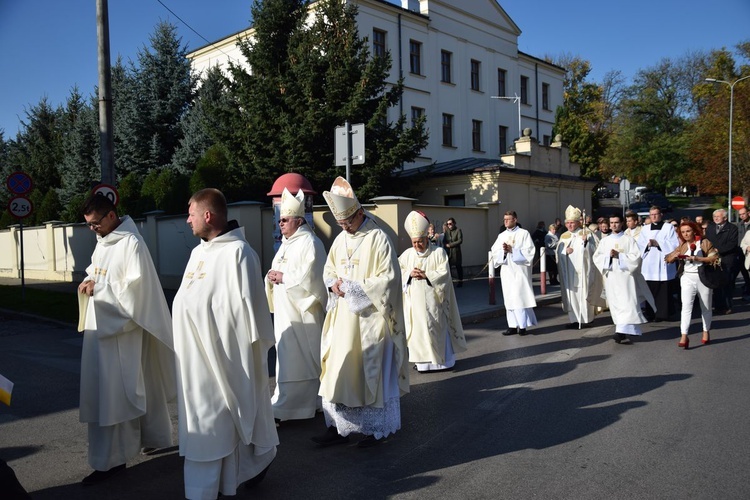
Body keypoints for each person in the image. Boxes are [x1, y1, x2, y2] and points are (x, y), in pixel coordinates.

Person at [172, 189, 278, 499]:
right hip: (193, 360)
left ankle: (208, 490)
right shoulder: (198, 253)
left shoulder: (239, 254)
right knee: (205, 424)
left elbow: (247, 315)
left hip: (223, 358)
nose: (187, 219)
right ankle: (220, 485)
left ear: (208, 215)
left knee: (216, 426)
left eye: (191, 213)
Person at [77, 194, 175, 485]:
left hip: (122, 334)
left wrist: (101, 287)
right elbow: (98, 273)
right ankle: (145, 439)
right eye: (89, 225)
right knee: (110, 394)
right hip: (102, 332)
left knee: (116, 396)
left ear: (111, 215)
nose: (93, 229)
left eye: (95, 223)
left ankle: (112, 460)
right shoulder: (103, 243)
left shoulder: (131, 243)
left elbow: (137, 289)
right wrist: (87, 281)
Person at [313, 177, 409, 448]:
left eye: (348, 222)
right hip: (342, 319)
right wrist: (333, 283)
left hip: (369, 320)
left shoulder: (378, 238)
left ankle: (373, 430)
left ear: (360, 213)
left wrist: (354, 287)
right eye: (340, 223)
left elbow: (388, 279)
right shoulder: (341, 239)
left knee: (368, 373)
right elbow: (329, 270)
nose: (344, 227)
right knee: (336, 370)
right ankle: (335, 425)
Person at [265, 188, 327, 422]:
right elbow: (278, 270)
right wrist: (270, 277)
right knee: (286, 357)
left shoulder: (310, 243)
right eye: (280, 219)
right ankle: (288, 400)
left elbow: (311, 279)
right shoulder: (286, 244)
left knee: (300, 360)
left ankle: (299, 406)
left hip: (303, 314)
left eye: (284, 219)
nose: (280, 223)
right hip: (285, 313)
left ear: (298, 220)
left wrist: (283, 278)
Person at [399, 210, 466, 372]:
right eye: (414, 242)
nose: (417, 245)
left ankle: (443, 362)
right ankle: (422, 363)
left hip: (434, 301)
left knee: (435, 329)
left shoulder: (438, 252)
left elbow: (444, 274)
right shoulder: (406, 255)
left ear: (426, 239)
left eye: (420, 241)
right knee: (417, 333)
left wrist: (426, 275)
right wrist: (409, 274)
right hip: (414, 303)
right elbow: (397, 273)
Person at [593, 214, 655, 344]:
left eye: (616, 222)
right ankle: (622, 330)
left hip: (626, 277)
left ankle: (620, 332)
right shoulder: (605, 241)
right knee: (616, 304)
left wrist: (619, 256)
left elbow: (636, 258)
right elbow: (596, 258)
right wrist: (608, 258)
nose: (613, 225)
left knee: (627, 303)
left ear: (622, 223)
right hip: (612, 277)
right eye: (611, 222)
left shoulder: (629, 240)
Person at [665, 221, 719, 348]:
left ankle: (706, 331)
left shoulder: (704, 242)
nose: (685, 234)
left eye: (688, 231)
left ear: (694, 231)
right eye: (683, 232)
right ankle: (684, 335)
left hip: (703, 277)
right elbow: (667, 258)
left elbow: (714, 258)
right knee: (686, 306)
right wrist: (674, 256)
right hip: (687, 277)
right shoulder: (683, 245)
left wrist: (698, 259)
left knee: (705, 306)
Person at [555, 205, 604, 329]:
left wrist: (586, 243)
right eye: (568, 223)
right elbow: (558, 253)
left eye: (572, 223)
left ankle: (587, 319)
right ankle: (575, 320)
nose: (570, 225)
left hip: (584, 271)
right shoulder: (564, 236)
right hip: (569, 273)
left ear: (578, 222)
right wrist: (564, 251)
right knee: (572, 296)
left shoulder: (587, 233)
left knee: (584, 293)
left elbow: (595, 251)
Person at [490, 211, 538, 335]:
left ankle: (522, 327)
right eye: (504, 219)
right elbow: (494, 251)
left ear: (515, 219)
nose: (505, 221)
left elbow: (530, 251)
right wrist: (504, 252)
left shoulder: (524, 233)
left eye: (508, 219)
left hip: (519, 272)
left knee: (519, 297)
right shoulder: (502, 235)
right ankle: (512, 325)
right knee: (509, 298)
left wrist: (513, 250)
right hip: (507, 271)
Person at [637, 206, 679, 322]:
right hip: (649, 263)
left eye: (656, 214)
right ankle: (651, 313)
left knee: (664, 290)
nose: (654, 217)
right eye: (651, 215)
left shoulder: (668, 227)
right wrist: (648, 244)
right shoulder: (645, 229)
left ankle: (663, 314)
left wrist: (658, 243)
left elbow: (674, 244)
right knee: (650, 289)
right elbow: (639, 244)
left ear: (661, 215)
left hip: (663, 262)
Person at [705, 208, 738, 314]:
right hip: (712, 259)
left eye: (718, 217)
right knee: (715, 284)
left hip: (726, 259)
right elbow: (707, 241)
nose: (716, 218)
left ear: (725, 218)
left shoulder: (732, 228)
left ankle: (727, 306)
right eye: (714, 217)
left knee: (726, 284)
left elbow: (732, 244)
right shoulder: (710, 227)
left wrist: (719, 250)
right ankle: (717, 306)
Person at [443, 217, 464, 287]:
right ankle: (450, 282)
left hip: (456, 252)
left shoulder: (458, 230)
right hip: (449, 253)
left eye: (450, 223)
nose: (449, 225)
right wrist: (446, 244)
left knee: (458, 267)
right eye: (448, 224)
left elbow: (460, 240)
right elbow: (444, 240)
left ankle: (460, 281)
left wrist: (451, 245)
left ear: (454, 223)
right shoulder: (447, 232)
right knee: (449, 268)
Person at [735, 207, 750, 297]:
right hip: (740, 252)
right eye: (740, 214)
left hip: (749, 254)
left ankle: (747, 292)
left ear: (748, 213)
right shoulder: (739, 225)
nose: (741, 216)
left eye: (743, 214)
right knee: (743, 274)